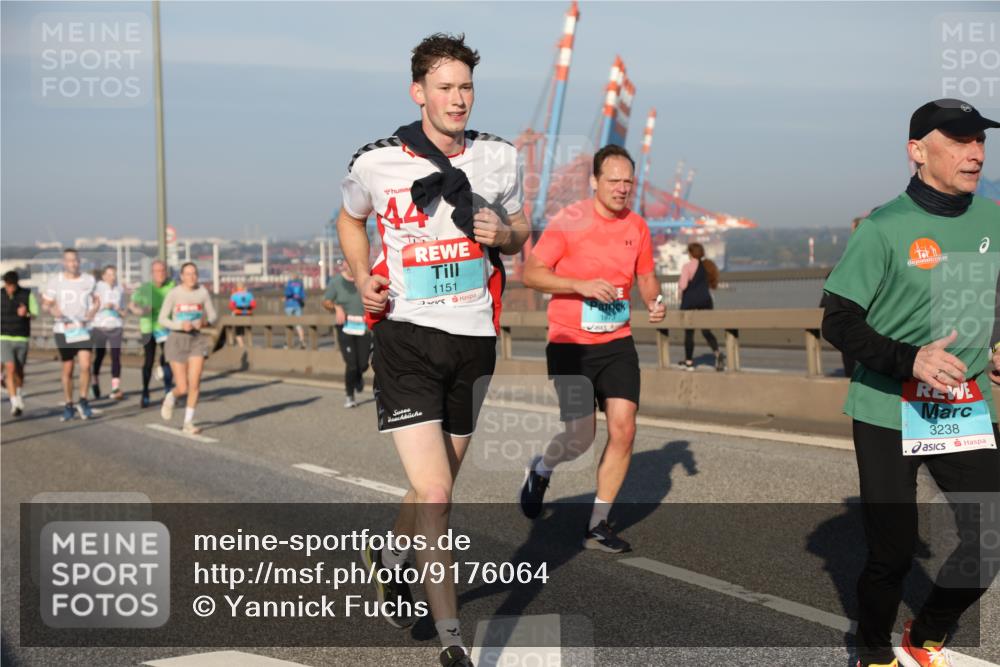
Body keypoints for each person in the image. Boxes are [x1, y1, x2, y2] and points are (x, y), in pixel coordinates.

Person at [336, 33, 527, 667]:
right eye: (444, 87)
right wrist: (362, 274)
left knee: (431, 490)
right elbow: (349, 217)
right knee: (439, 495)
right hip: (405, 338)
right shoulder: (376, 160)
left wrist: (507, 231)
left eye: (466, 87)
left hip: (474, 342)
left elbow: (523, 227)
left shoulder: (501, 157)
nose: (458, 99)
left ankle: (391, 556)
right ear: (418, 92)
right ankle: (452, 644)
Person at [822, 98, 1000, 667]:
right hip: (887, 406)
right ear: (918, 152)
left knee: (989, 538)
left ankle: (927, 631)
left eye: (980, 141)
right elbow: (838, 320)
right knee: (892, 554)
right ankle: (873, 652)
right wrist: (911, 359)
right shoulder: (883, 228)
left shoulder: (993, 219)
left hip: (962, 404)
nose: (974, 152)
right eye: (958, 141)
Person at [518, 145, 665, 553]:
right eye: (613, 181)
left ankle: (597, 525)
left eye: (628, 182)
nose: (621, 189)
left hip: (617, 341)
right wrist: (579, 285)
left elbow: (647, 276)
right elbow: (532, 273)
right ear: (594, 182)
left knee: (625, 428)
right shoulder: (569, 221)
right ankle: (542, 468)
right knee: (581, 436)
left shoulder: (638, 226)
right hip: (570, 344)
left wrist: (654, 301)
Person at [158, 262, 218, 435]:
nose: (191, 277)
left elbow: (213, 315)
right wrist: (179, 325)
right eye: (187, 274)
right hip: (177, 339)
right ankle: (171, 396)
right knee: (182, 387)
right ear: (181, 276)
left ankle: (188, 423)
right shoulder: (174, 293)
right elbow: (163, 319)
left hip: (196, 340)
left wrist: (205, 322)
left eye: (194, 274)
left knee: (195, 383)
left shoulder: (202, 292)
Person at [42, 248, 98, 421]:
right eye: (69, 260)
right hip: (63, 329)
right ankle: (68, 404)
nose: (73, 263)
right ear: (63, 262)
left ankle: (83, 400)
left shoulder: (89, 280)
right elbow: (45, 304)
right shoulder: (55, 281)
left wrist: (93, 311)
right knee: (68, 368)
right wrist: (53, 309)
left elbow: (97, 300)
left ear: (79, 262)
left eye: (76, 260)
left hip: (83, 329)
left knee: (86, 365)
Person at [322, 261, 371, 408]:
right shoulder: (336, 282)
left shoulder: (365, 280)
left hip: (364, 327)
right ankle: (350, 395)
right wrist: (337, 307)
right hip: (345, 327)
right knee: (351, 364)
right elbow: (326, 302)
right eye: (348, 263)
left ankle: (358, 378)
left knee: (363, 364)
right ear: (344, 265)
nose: (351, 266)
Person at [130, 260, 175, 408]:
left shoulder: (172, 286)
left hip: (165, 327)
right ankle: (145, 391)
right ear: (152, 273)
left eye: (162, 271)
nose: (160, 274)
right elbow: (132, 305)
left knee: (168, 359)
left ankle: (168, 391)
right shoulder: (145, 288)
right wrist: (141, 311)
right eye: (157, 271)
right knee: (148, 361)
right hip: (148, 328)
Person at [677, 242, 724, 372]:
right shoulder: (707, 266)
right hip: (705, 301)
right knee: (706, 331)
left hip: (690, 302)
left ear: (690, 253)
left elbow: (683, 285)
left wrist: (679, 291)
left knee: (689, 333)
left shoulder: (687, 266)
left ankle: (689, 362)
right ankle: (717, 354)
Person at [1, 271, 39, 417]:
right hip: (4, 337)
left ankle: (18, 393)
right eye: (8, 286)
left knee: (19, 370)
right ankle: (14, 402)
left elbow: (35, 314)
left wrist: (27, 313)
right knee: (10, 368)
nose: (10, 289)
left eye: (13, 286)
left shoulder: (27, 294)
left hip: (22, 337)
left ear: (17, 284)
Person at [91, 265, 126, 400]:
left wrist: (118, 309)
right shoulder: (97, 288)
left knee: (116, 356)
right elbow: (90, 309)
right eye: (110, 274)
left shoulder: (120, 289)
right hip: (100, 326)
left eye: (114, 274)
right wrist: (102, 306)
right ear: (104, 276)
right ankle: (94, 379)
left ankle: (115, 388)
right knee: (100, 355)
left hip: (116, 326)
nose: (113, 277)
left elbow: (123, 312)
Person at [228, 281, 256, 348]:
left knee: (238, 331)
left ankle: (241, 346)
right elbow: (254, 305)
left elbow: (231, 306)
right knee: (248, 330)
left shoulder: (234, 295)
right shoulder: (249, 295)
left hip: (238, 314)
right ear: (244, 287)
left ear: (236, 288)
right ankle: (250, 345)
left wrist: (236, 309)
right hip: (248, 314)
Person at [283, 273, 307, 349]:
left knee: (289, 324)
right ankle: (302, 341)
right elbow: (303, 295)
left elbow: (287, 293)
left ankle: (288, 343)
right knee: (299, 324)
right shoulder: (300, 284)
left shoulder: (289, 284)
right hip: (297, 305)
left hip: (289, 305)